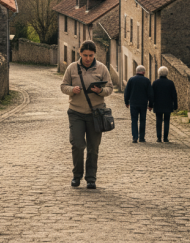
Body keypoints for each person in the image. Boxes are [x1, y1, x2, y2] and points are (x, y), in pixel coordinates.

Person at [60, 40, 113, 189]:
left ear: (95, 54)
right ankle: (77, 175)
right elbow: (63, 86)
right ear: (80, 53)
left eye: (90, 55)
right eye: (85, 55)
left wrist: (100, 91)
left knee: (93, 147)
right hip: (76, 112)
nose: (88, 58)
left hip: (95, 113)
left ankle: (91, 178)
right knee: (77, 145)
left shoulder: (102, 68)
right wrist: (72, 90)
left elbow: (109, 88)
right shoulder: (72, 68)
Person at [124, 65, 152, 143]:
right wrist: (150, 105)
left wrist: (126, 102)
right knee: (142, 120)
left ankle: (135, 137)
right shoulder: (147, 81)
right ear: (144, 72)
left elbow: (127, 92)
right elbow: (150, 94)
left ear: (136, 71)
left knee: (134, 120)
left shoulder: (131, 80)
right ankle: (142, 137)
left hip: (133, 103)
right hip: (143, 103)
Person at [149, 66, 178, 142]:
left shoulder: (155, 83)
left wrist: (151, 104)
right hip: (168, 105)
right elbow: (174, 95)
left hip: (158, 105)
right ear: (167, 73)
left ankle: (159, 138)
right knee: (166, 121)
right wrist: (175, 105)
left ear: (159, 73)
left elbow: (152, 95)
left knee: (158, 121)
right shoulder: (170, 83)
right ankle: (165, 138)